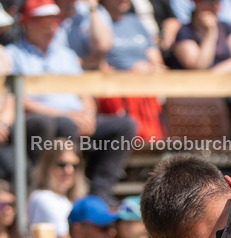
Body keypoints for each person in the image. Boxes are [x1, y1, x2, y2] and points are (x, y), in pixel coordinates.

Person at [8, 0, 137, 204]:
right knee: (60, 124)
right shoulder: (13, 55)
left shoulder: (66, 55)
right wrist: (66, 115)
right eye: (44, 22)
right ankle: (66, 191)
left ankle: (99, 195)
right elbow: (16, 98)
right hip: (42, 119)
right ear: (28, 23)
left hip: (73, 117)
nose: (51, 28)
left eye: (54, 22)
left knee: (125, 125)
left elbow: (83, 91)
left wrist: (88, 113)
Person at [27, 140, 87, 238]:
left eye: (75, 165)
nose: (69, 171)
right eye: (62, 165)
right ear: (47, 166)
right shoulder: (43, 198)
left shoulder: (72, 199)